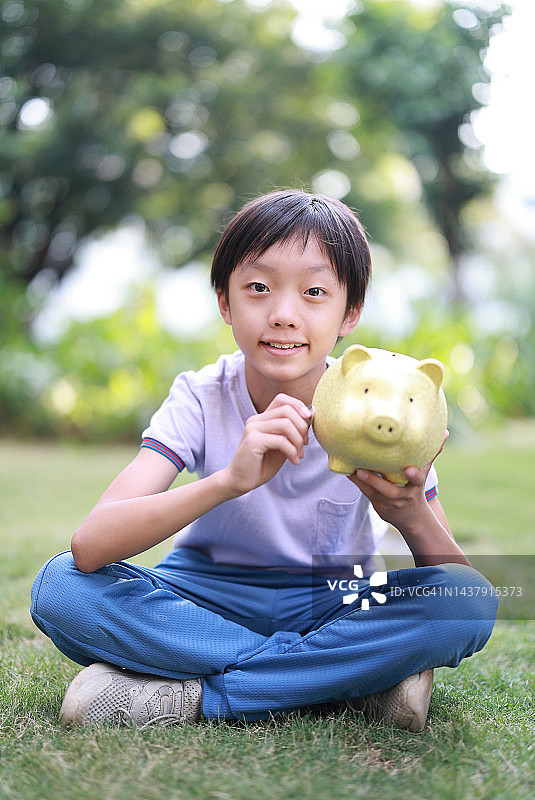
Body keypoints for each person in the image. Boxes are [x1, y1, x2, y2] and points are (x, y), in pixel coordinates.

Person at [30, 190, 497, 732]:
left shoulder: (387, 400)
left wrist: (411, 512)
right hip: (202, 601)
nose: (282, 315)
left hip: (341, 602)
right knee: (59, 585)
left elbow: (459, 588)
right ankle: (352, 682)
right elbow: (90, 546)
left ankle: (190, 698)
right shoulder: (201, 396)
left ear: (350, 312)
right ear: (225, 303)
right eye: (257, 287)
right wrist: (228, 480)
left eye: (314, 292)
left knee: (467, 603)